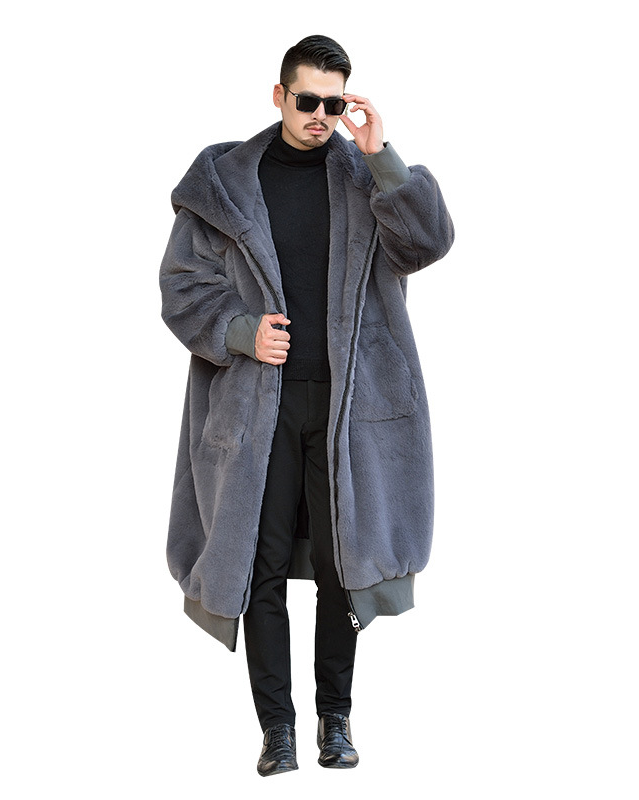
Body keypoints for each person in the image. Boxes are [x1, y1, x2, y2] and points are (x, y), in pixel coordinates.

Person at [159, 34, 454, 776]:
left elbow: (428, 243)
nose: (320, 114)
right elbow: (181, 287)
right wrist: (240, 331)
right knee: (257, 566)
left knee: (339, 563)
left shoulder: (366, 179)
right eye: (307, 100)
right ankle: (277, 730)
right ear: (279, 95)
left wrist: (382, 156)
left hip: (352, 408)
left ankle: (336, 719)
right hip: (255, 407)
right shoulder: (225, 182)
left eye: (334, 102)